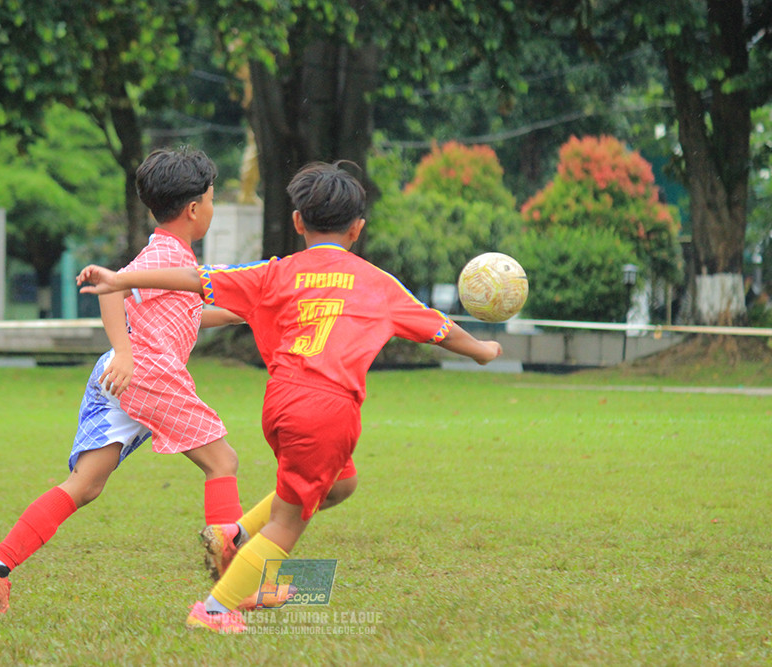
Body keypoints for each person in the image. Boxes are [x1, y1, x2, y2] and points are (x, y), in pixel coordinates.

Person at [76, 161, 503, 633]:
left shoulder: (275, 272)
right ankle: (216, 609)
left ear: (298, 223)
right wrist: (483, 350)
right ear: (358, 229)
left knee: (340, 484)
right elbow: (440, 329)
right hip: (328, 410)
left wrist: (122, 280)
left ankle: (236, 532)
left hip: (280, 404)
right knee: (289, 521)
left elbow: (200, 278)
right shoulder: (379, 284)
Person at [0, 146, 248, 615]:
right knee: (223, 462)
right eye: (213, 200)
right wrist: (125, 351)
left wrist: (243, 315)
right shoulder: (166, 256)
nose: (213, 210)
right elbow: (112, 287)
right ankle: (231, 595)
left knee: (87, 483)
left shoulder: (171, 259)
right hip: (147, 373)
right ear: (196, 209)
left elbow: (184, 313)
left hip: (122, 377)